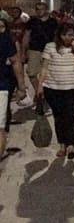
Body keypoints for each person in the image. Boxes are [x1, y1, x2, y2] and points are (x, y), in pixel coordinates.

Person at [37, 24, 74, 159]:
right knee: (58, 117)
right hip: (53, 88)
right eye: (64, 34)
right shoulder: (50, 46)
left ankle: (70, 145)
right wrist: (40, 85)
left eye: (70, 34)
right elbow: (44, 67)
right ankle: (61, 145)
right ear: (59, 35)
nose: (67, 37)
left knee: (70, 116)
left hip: (73, 88)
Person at [0, 17, 26, 160]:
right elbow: (16, 62)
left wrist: (21, 85)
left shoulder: (4, 40)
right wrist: (21, 86)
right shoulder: (4, 39)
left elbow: (15, 62)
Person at [23, 1, 59, 98]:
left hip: (49, 50)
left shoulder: (53, 22)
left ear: (46, 10)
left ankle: (44, 93)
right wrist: (23, 51)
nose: (39, 11)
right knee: (31, 73)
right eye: (37, 9)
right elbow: (26, 36)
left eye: (41, 9)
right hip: (34, 50)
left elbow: (57, 36)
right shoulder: (31, 21)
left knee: (48, 74)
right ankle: (39, 92)